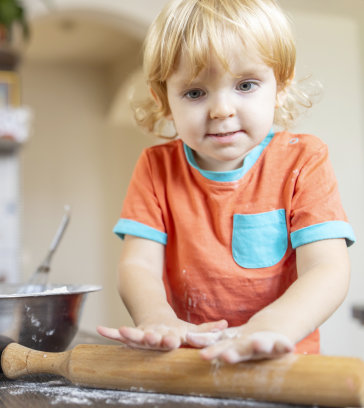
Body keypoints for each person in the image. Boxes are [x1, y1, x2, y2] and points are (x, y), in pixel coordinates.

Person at [97, 0, 355, 364]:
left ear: (280, 85)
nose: (221, 109)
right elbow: (138, 265)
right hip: (192, 362)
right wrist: (157, 317)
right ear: (165, 101)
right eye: (195, 93)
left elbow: (327, 269)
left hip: (282, 361)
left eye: (246, 85)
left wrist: (272, 325)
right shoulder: (157, 167)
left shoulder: (303, 160)